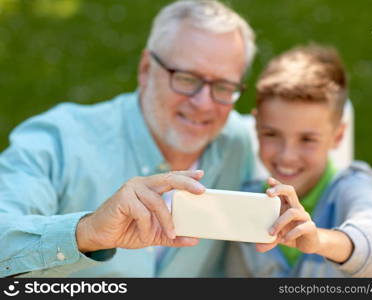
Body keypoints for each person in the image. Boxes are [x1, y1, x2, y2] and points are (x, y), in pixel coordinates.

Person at [0, 0, 257, 277]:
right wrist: (88, 232)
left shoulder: (242, 144)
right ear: (146, 69)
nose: (204, 103)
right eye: (186, 78)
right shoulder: (57, 140)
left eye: (222, 86)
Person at [226, 44, 372, 277]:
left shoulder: (356, 186)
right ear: (257, 127)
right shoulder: (245, 203)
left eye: (307, 139)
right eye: (271, 134)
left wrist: (319, 240)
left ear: (337, 136)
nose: (287, 155)